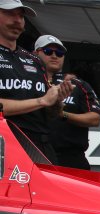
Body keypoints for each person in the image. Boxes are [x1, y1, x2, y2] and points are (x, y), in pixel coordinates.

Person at [0, 1, 72, 163]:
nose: (17, 20)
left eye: (21, 15)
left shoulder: (34, 60)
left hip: (41, 145)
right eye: (10, 13)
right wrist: (41, 101)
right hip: (6, 143)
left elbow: (50, 113)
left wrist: (57, 101)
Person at [34, 35, 100, 170]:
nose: (54, 56)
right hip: (34, 153)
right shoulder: (28, 82)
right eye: (48, 51)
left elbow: (95, 119)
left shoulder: (76, 85)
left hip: (72, 157)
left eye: (59, 53)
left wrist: (62, 114)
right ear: (35, 53)